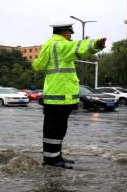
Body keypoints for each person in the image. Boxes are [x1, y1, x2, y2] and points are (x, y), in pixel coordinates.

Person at [32, 21, 106, 169]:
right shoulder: (60, 45)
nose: (71, 36)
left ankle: (55, 156)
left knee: (55, 128)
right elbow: (78, 47)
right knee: (55, 129)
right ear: (65, 33)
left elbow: (37, 65)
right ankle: (51, 160)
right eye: (70, 33)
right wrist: (96, 44)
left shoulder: (47, 46)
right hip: (60, 96)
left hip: (55, 95)